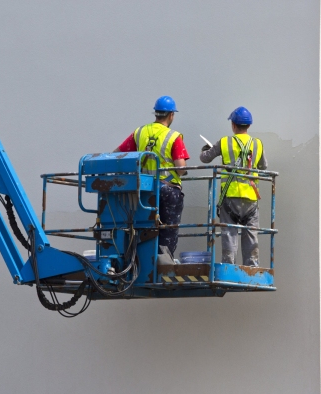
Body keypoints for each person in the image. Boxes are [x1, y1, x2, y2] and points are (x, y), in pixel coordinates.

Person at [114, 96, 189, 257]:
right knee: (168, 229)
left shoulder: (139, 132)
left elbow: (117, 154)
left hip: (143, 190)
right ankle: (163, 262)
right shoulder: (174, 136)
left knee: (143, 228)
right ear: (171, 115)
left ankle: (140, 261)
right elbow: (181, 168)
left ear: (156, 114)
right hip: (167, 191)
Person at [199, 106, 267, 266]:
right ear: (249, 126)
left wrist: (205, 149)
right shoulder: (257, 144)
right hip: (251, 199)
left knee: (229, 233)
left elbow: (205, 159)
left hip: (229, 198)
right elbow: (263, 166)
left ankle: (229, 266)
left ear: (233, 125)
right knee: (251, 235)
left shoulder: (224, 142)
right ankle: (252, 268)